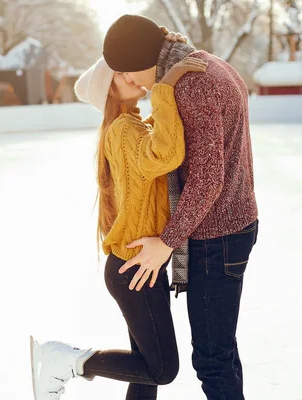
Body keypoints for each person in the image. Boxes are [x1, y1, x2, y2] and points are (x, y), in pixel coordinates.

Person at [30, 39, 207, 400]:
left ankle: (69, 360)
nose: (133, 75)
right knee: (161, 369)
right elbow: (167, 153)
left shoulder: (130, 127)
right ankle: (70, 361)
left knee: (144, 374)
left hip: (138, 265)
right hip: (133, 269)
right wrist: (165, 86)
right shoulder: (124, 131)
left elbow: (160, 136)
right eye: (122, 74)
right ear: (109, 86)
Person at [102, 15, 259, 400]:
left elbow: (207, 180)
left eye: (127, 69)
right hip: (231, 225)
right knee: (220, 354)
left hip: (215, 235)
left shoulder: (194, 84)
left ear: (144, 58)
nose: (131, 80)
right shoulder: (205, 64)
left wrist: (167, 242)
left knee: (212, 361)